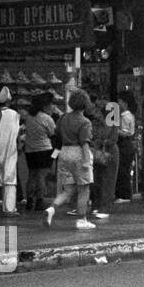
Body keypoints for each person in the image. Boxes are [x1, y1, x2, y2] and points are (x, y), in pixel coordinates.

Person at [43, 90, 97, 230]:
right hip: (79, 153)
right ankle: (81, 220)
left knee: (67, 191)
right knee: (84, 189)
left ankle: (52, 209)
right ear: (85, 104)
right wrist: (86, 161)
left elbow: (57, 139)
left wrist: (54, 158)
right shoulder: (85, 122)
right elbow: (84, 142)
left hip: (64, 153)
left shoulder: (62, 118)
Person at [22, 92, 57, 212]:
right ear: (44, 106)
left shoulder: (28, 117)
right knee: (41, 176)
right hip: (44, 150)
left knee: (31, 175)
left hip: (30, 151)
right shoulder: (47, 119)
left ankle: (29, 201)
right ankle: (40, 201)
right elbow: (53, 135)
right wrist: (55, 155)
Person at [89, 93, 120, 217]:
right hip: (105, 150)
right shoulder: (110, 118)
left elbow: (111, 137)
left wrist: (97, 141)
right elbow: (113, 137)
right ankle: (99, 206)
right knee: (100, 180)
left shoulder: (97, 121)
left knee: (103, 179)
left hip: (104, 150)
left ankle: (101, 206)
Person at [0, 88, 20, 216]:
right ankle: (9, 208)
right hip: (11, 150)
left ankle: (1, 202)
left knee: (0, 177)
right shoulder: (14, 114)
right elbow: (16, 133)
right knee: (10, 179)